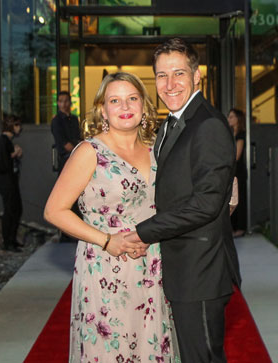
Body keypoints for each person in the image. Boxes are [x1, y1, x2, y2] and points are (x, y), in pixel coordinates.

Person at [44, 72, 178, 362]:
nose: (125, 106)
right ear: (103, 110)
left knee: (150, 347)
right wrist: (106, 241)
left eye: (132, 98)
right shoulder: (90, 151)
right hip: (105, 268)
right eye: (114, 100)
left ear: (144, 105)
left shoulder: (158, 149)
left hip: (152, 265)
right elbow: (54, 210)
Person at [127, 38, 240, 363]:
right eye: (162, 75)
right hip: (181, 267)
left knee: (202, 358)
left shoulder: (208, 125)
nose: (170, 83)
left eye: (178, 73)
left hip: (200, 270)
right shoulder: (170, 125)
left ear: (197, 75)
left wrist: (143, 231)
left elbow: (206, 203)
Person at [0, 115, 25, 252]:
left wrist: (15, 154)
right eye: (17, 125)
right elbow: (1, 164)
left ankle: (12, 239)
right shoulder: (3, 141)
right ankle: (7, 242)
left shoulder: (7, 141)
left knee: (16, 209)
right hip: (6, 180)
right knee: (10, 210)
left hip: (11, 180)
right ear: (12, 126)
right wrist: (14, 154)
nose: (20, 128)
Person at [227, 108, 248, 237]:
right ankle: (232, 228)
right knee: (230, 199)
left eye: (231, 117)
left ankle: (240, 228)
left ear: (238, 119)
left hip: (237, 171)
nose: (229, 119)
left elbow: (237, 156)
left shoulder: (241, 135)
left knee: (239, 199)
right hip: (230, 170)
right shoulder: (230, 134)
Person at [51, 90, 82, 174]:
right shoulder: (57, 120)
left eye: (66, 101)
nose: (63, 104)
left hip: (77, 156)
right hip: (66, 158)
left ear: (70, 102)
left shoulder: (74, 119)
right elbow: (64, 144)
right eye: (61, 101)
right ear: (57, 103)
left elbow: (78, 137)